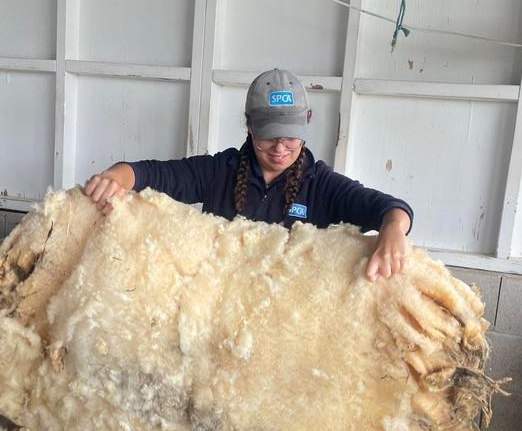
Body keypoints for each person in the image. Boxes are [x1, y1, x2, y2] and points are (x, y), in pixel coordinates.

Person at [84, 68, 412, 281]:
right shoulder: (221, 171)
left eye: (290, 136)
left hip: (284, 312)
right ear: (249, 125)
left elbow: (387, 207)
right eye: (268, 136)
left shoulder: (321, 184)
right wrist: (118, 176)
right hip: (220, 299)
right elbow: (158, 174)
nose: (280, 148)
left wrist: (394, 228)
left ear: (307, 122)